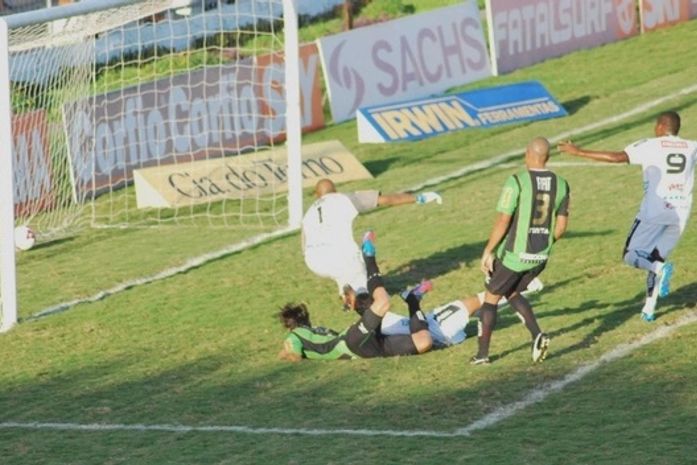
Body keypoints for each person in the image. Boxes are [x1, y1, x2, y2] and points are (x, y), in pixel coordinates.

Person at [558, 111, 695, 321]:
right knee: (655, 257)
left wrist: (578, 151)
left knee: (631, 255)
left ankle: (659, 271)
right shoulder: (691, 146)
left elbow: (617, 157)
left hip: (654, 212)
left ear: (660, 126)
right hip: (680, 213)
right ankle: (649, 308)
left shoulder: (650, 145)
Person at [472, 137, 570, 365]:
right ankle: (537, 335)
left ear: (528, 154)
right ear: (547, 157)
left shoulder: (517, 181)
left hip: (515, 256)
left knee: (490, 298)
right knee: (512, 291)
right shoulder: (562, 184)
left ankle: (482, 355)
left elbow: (503, 220)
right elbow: (561, 228)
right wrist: (544, 243)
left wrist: (488, 250)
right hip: (540, 257)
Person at [278, 233, 433, 361]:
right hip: (369, 348)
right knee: (424, 341)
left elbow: (294, 356)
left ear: (289, 326)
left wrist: (284, 353)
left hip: (354, 343)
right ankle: (412, 299)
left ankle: (369, 258)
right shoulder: (317, 331)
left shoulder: (294, 335)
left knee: (383, 303)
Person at [301, 178, 442, 299]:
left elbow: (304, 245)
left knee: (343, 272)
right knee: (367, 288)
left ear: (317, 195)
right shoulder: (344, 198)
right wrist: (419, 198)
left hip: (314, 260)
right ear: (335, 190)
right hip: (339, 255)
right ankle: (361, 299)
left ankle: (345, 294)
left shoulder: (308, 214)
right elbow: (387, 199)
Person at [380, 278, 545, 347]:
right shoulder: (375, 324)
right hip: (437, 327)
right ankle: (526, 288)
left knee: (478, 306)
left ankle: (414, 296)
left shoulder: (375, 325)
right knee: (475, 302)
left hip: (431, 326)